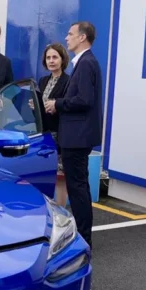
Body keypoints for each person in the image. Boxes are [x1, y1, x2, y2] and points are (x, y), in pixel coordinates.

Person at [46, 21, 102, 246]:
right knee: (79, 187)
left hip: (77, 136)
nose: (67, 38)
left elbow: (84, 100)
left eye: (70, 34)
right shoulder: (84, 63)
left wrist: (57, 104)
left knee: (78, 189)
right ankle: (82, 235)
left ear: (82, 38)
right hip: (77, 135)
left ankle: (83, 239)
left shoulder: (86, 63)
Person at [39, 43, 71, 205]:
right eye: (48, 57)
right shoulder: (43, 80)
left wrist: (55, 107)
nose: (51, 61)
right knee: (45, 175)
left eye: (55, 57)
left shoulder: (68, 81)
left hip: (59, 134)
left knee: (60, 177)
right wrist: (36, 105)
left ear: (62, 59)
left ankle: (61, 210)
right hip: (44, 135)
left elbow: (68, 105)